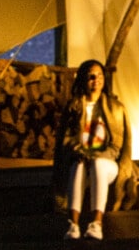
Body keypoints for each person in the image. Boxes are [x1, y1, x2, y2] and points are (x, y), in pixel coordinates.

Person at [52, 59, 131, 240]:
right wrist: (79, 153)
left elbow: (117, 145)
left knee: (98, 165)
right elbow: (66, 139)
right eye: (91, 77)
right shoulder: (74, 107)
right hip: (80, 158)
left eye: (100, 76)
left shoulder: (115, 109)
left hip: (107, 162)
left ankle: (96, 223)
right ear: (83, 80)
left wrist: (95, 156)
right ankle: (73, 224)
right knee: (78, 167)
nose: (96, 80)